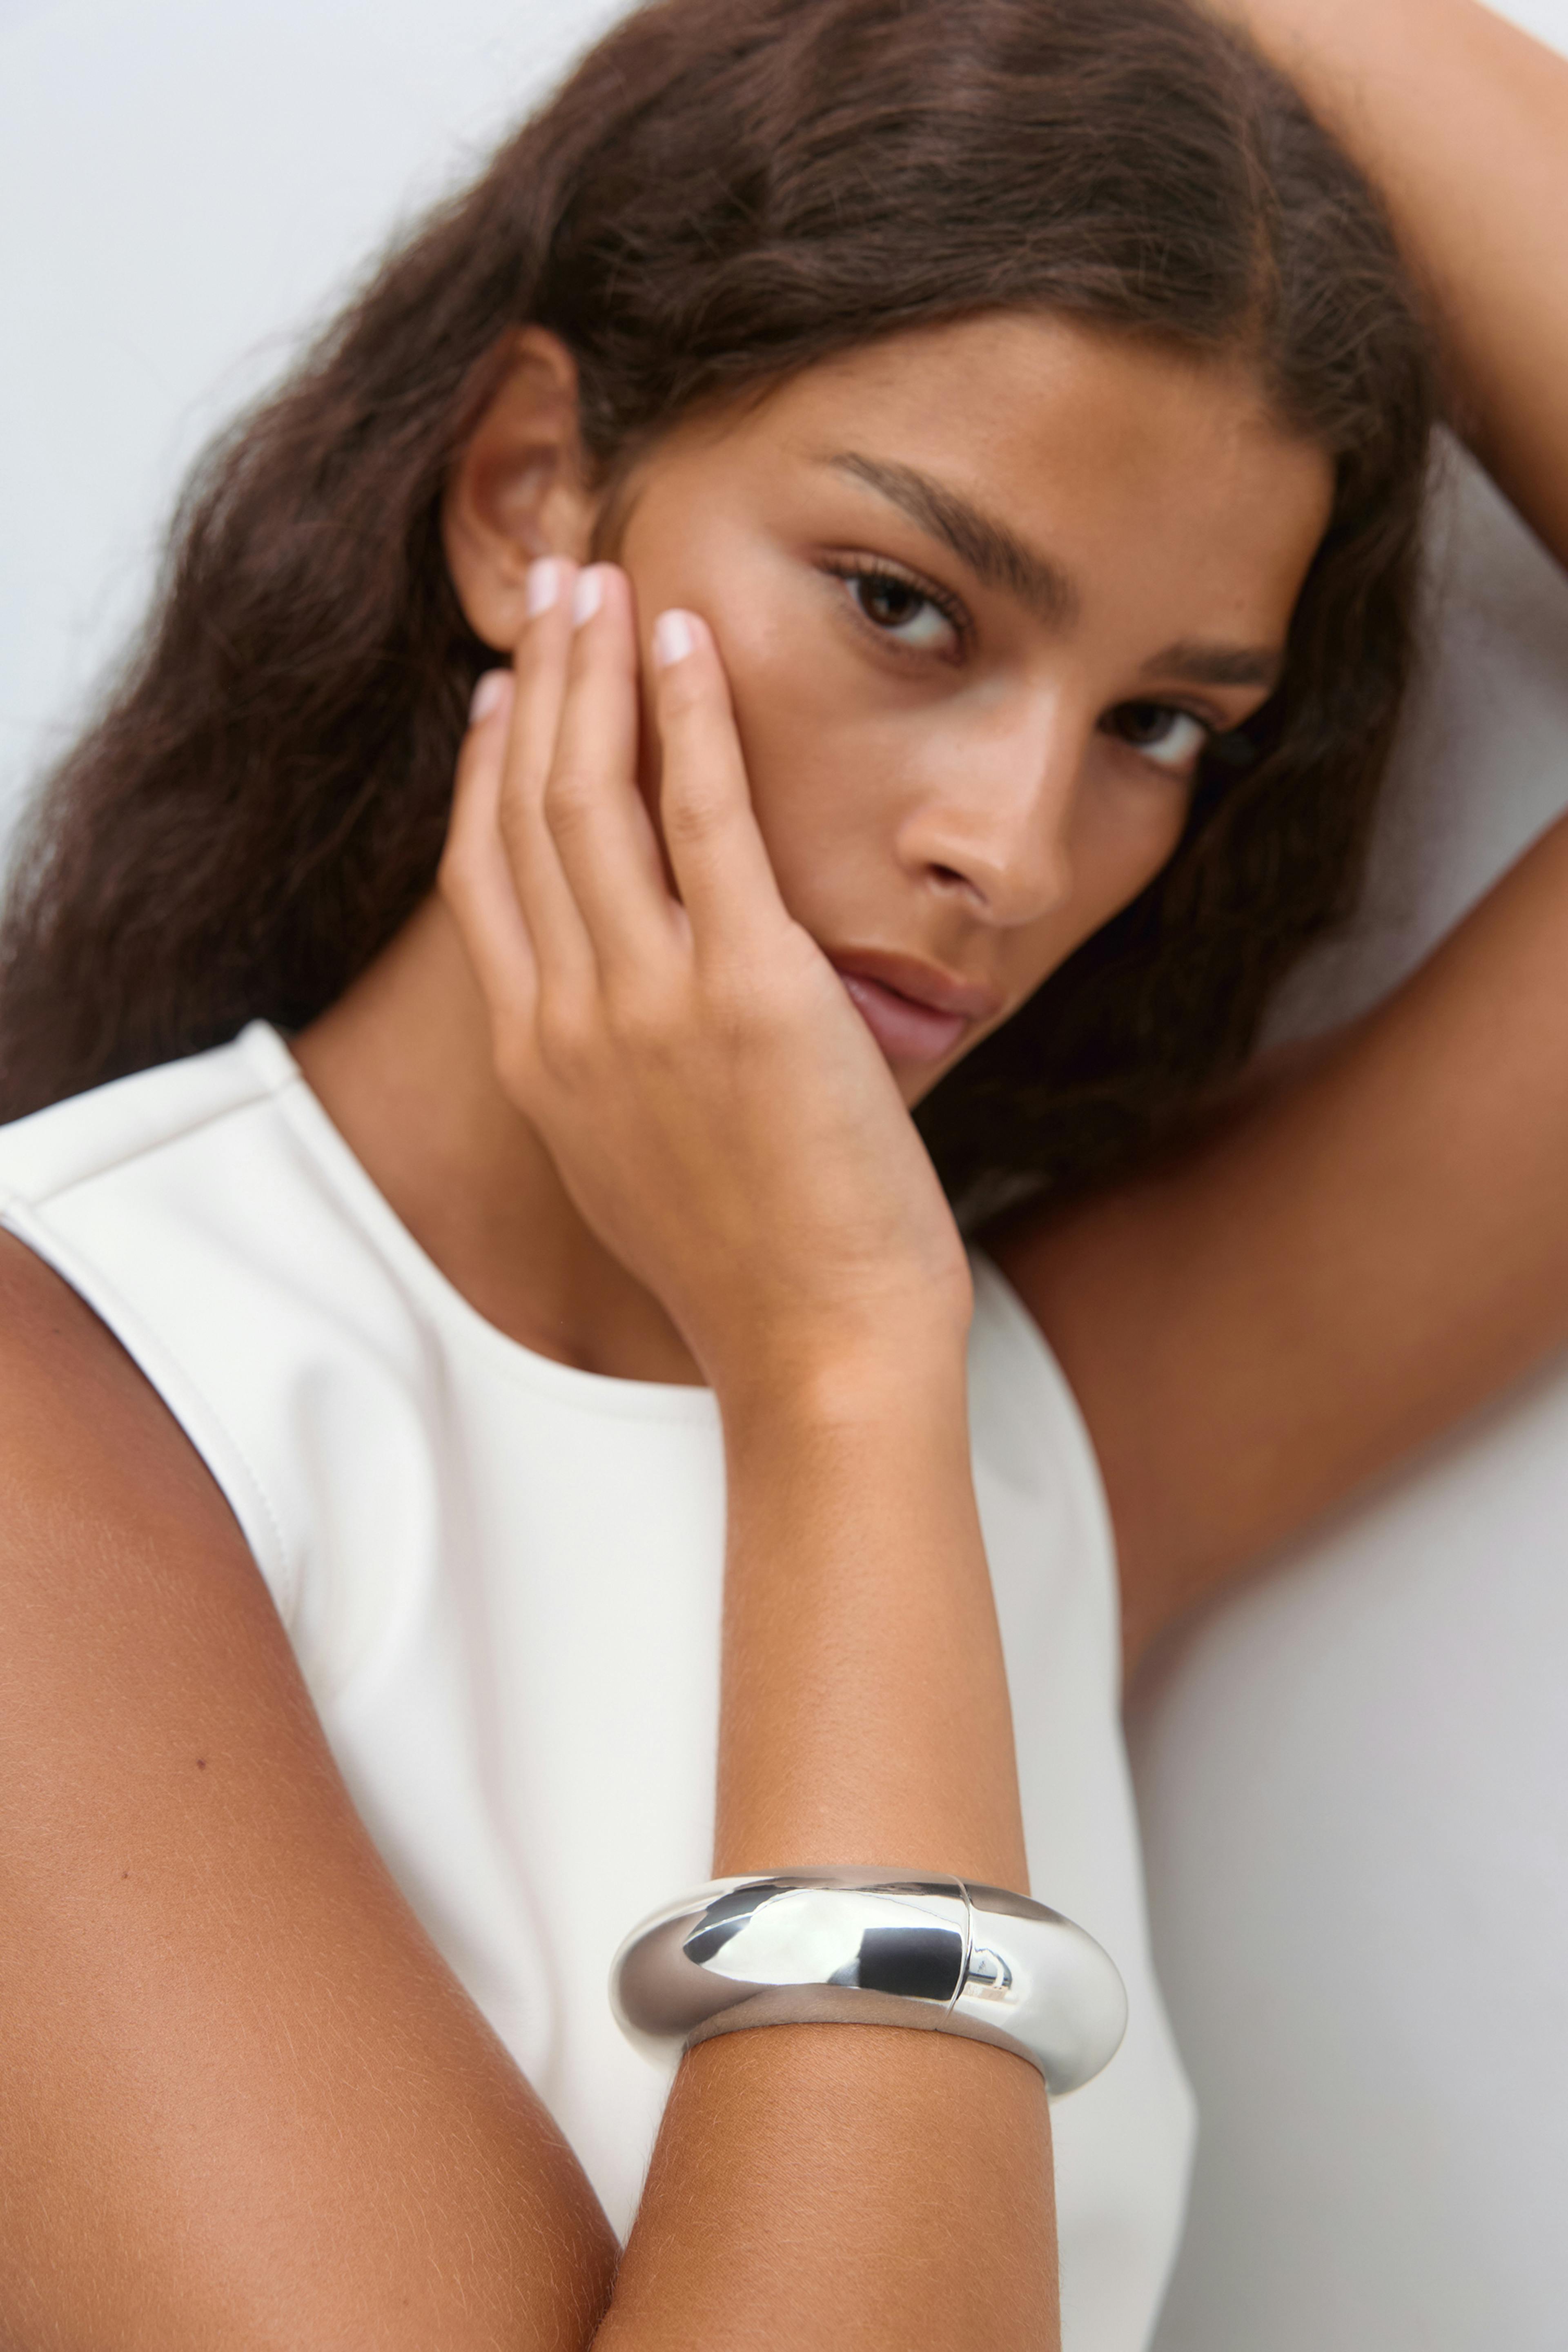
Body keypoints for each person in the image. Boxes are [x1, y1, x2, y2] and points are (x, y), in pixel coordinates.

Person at [0, 0, 1563, 2341]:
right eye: (905, 602)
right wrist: (836, 1373)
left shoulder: (1035, 1424)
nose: (1013, 848)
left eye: (1160, 723)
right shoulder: (79, 1399)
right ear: (530, 493)